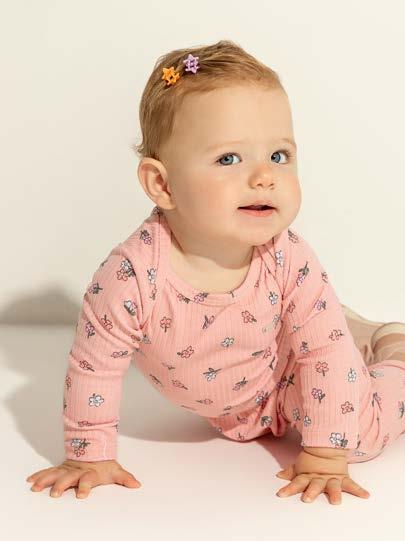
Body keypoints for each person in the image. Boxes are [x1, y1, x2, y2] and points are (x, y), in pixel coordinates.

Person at [26, 40, 405, 504]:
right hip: (236, 405)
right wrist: (89, 455)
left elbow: (324, 352)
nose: (264, 176)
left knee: (357, 435)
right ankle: (346, 323)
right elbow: (95, 366)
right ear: (162, 184)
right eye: (229, 159)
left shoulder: (287, 257)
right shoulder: (131, 277)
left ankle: (393, 351)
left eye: (279, 156)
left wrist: (325, 456)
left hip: (287, 372)